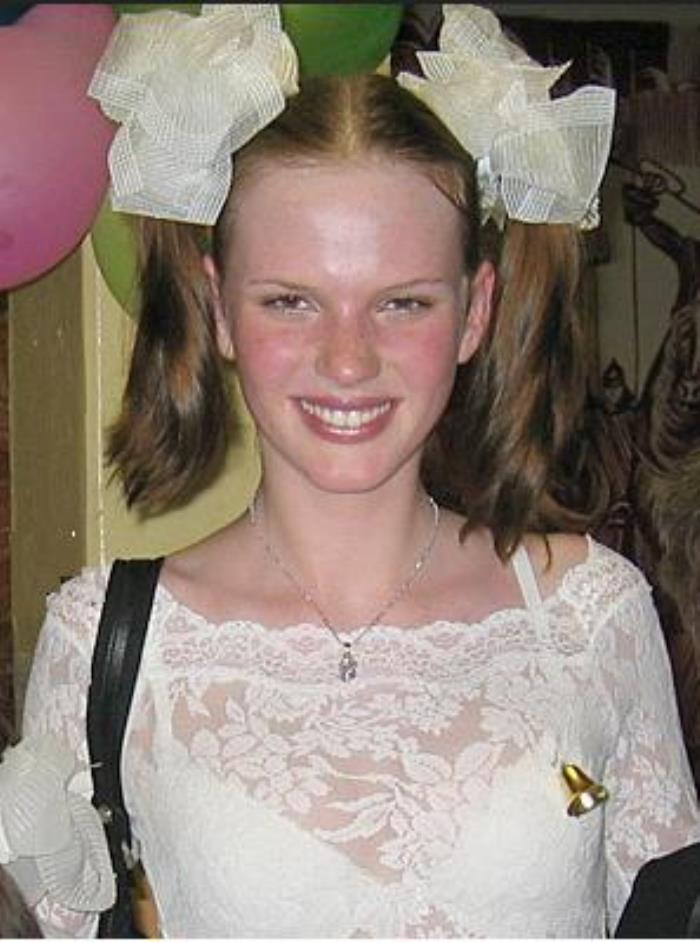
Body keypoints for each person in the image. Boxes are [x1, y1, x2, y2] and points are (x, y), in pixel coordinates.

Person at [17, 4, 700, 937]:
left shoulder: (593, 618)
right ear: (219, 310)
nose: (348, 360)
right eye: (291, 301)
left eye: (403, 303)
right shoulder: (106, 642)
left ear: (474, 312)